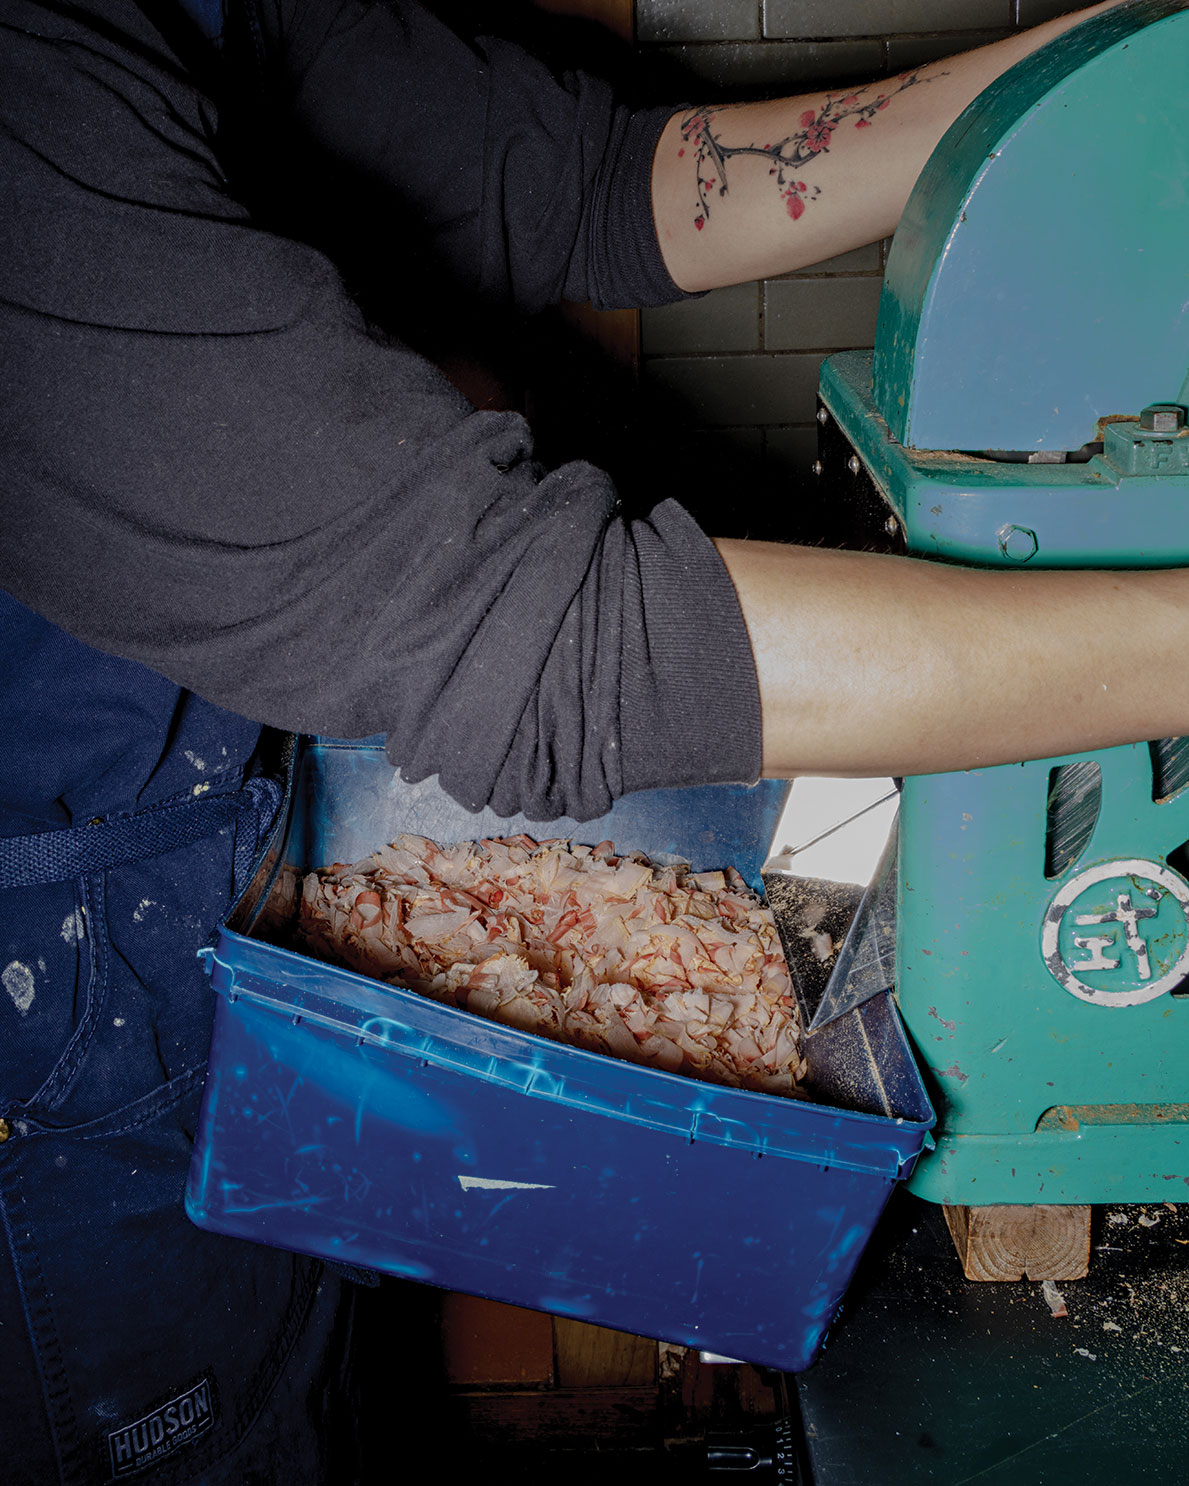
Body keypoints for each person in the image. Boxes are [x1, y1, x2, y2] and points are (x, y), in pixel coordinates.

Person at [1, 2, 1182, 1482]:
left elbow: (600, 185)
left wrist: (1112, 66)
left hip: (184, 931)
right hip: (44, 1056)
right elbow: (540, 639)